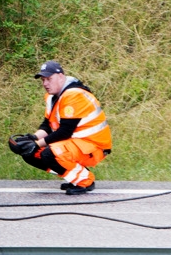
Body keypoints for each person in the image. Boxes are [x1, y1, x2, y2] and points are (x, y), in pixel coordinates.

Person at [8, 60, 112, 194]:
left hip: (93, 147)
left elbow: (64, 132)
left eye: (49, 79)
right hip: (77, 144)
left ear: (61, 77)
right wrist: (33, 138)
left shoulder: (73, 95)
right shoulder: (53, 97)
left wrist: (37, 144)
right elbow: (47, 125)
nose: (45, 83)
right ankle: (76, 176)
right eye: (43, 80)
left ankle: (85, 180)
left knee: (48, 153)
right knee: (29, 153)